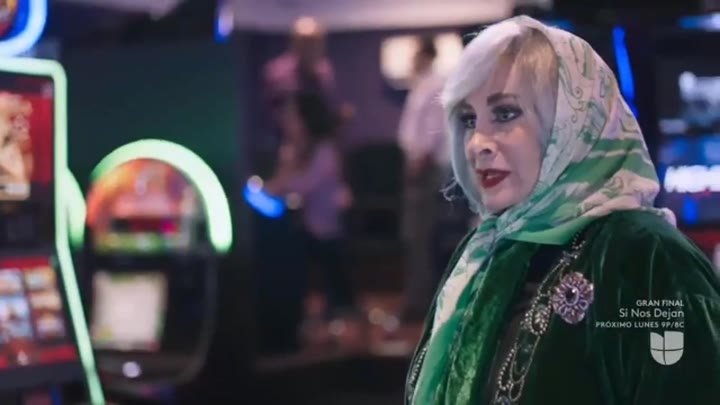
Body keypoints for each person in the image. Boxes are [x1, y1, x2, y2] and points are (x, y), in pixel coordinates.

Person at [406, 16, 720, 405]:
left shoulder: (646, 255)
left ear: (572, 122)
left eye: (505, 114)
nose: (477, 143)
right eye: (469, 120)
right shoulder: (483, 251)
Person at [266, 92, 356, 322]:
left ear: (306, 119)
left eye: (291, 116)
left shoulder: (325, 151)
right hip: (307, 226)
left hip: (327, 226)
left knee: (299, 248)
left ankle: (338, 311)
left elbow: (302, 184)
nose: (286, 122)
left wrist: (275, 185)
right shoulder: (293, 149)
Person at [397, 36, 451, 321]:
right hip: (417, 166)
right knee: (415, 236)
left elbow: (432, 131)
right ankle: (417, 298)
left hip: (425, 169)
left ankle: (419, 304)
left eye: (415, 54)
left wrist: (417, 166)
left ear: (426, 55)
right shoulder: (420, 84)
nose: (411, 60)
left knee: (421, 237)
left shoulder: (436, 84)